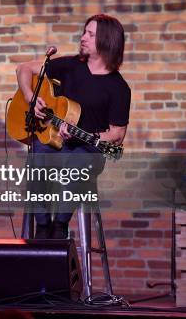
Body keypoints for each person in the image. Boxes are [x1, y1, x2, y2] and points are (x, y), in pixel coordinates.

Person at [15, 14, 131, 239]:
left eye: (91, 34)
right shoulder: (70, 66)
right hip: (56, 142)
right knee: (38, 155)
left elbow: (117, 134)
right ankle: (42, 227)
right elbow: (23, 69)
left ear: (106, 41)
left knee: (76, 165)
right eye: (84, 32)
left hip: (87, 150)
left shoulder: (118, 88)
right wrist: (32, 98)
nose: (83, 37)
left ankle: (60, 226)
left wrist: (87, 135)